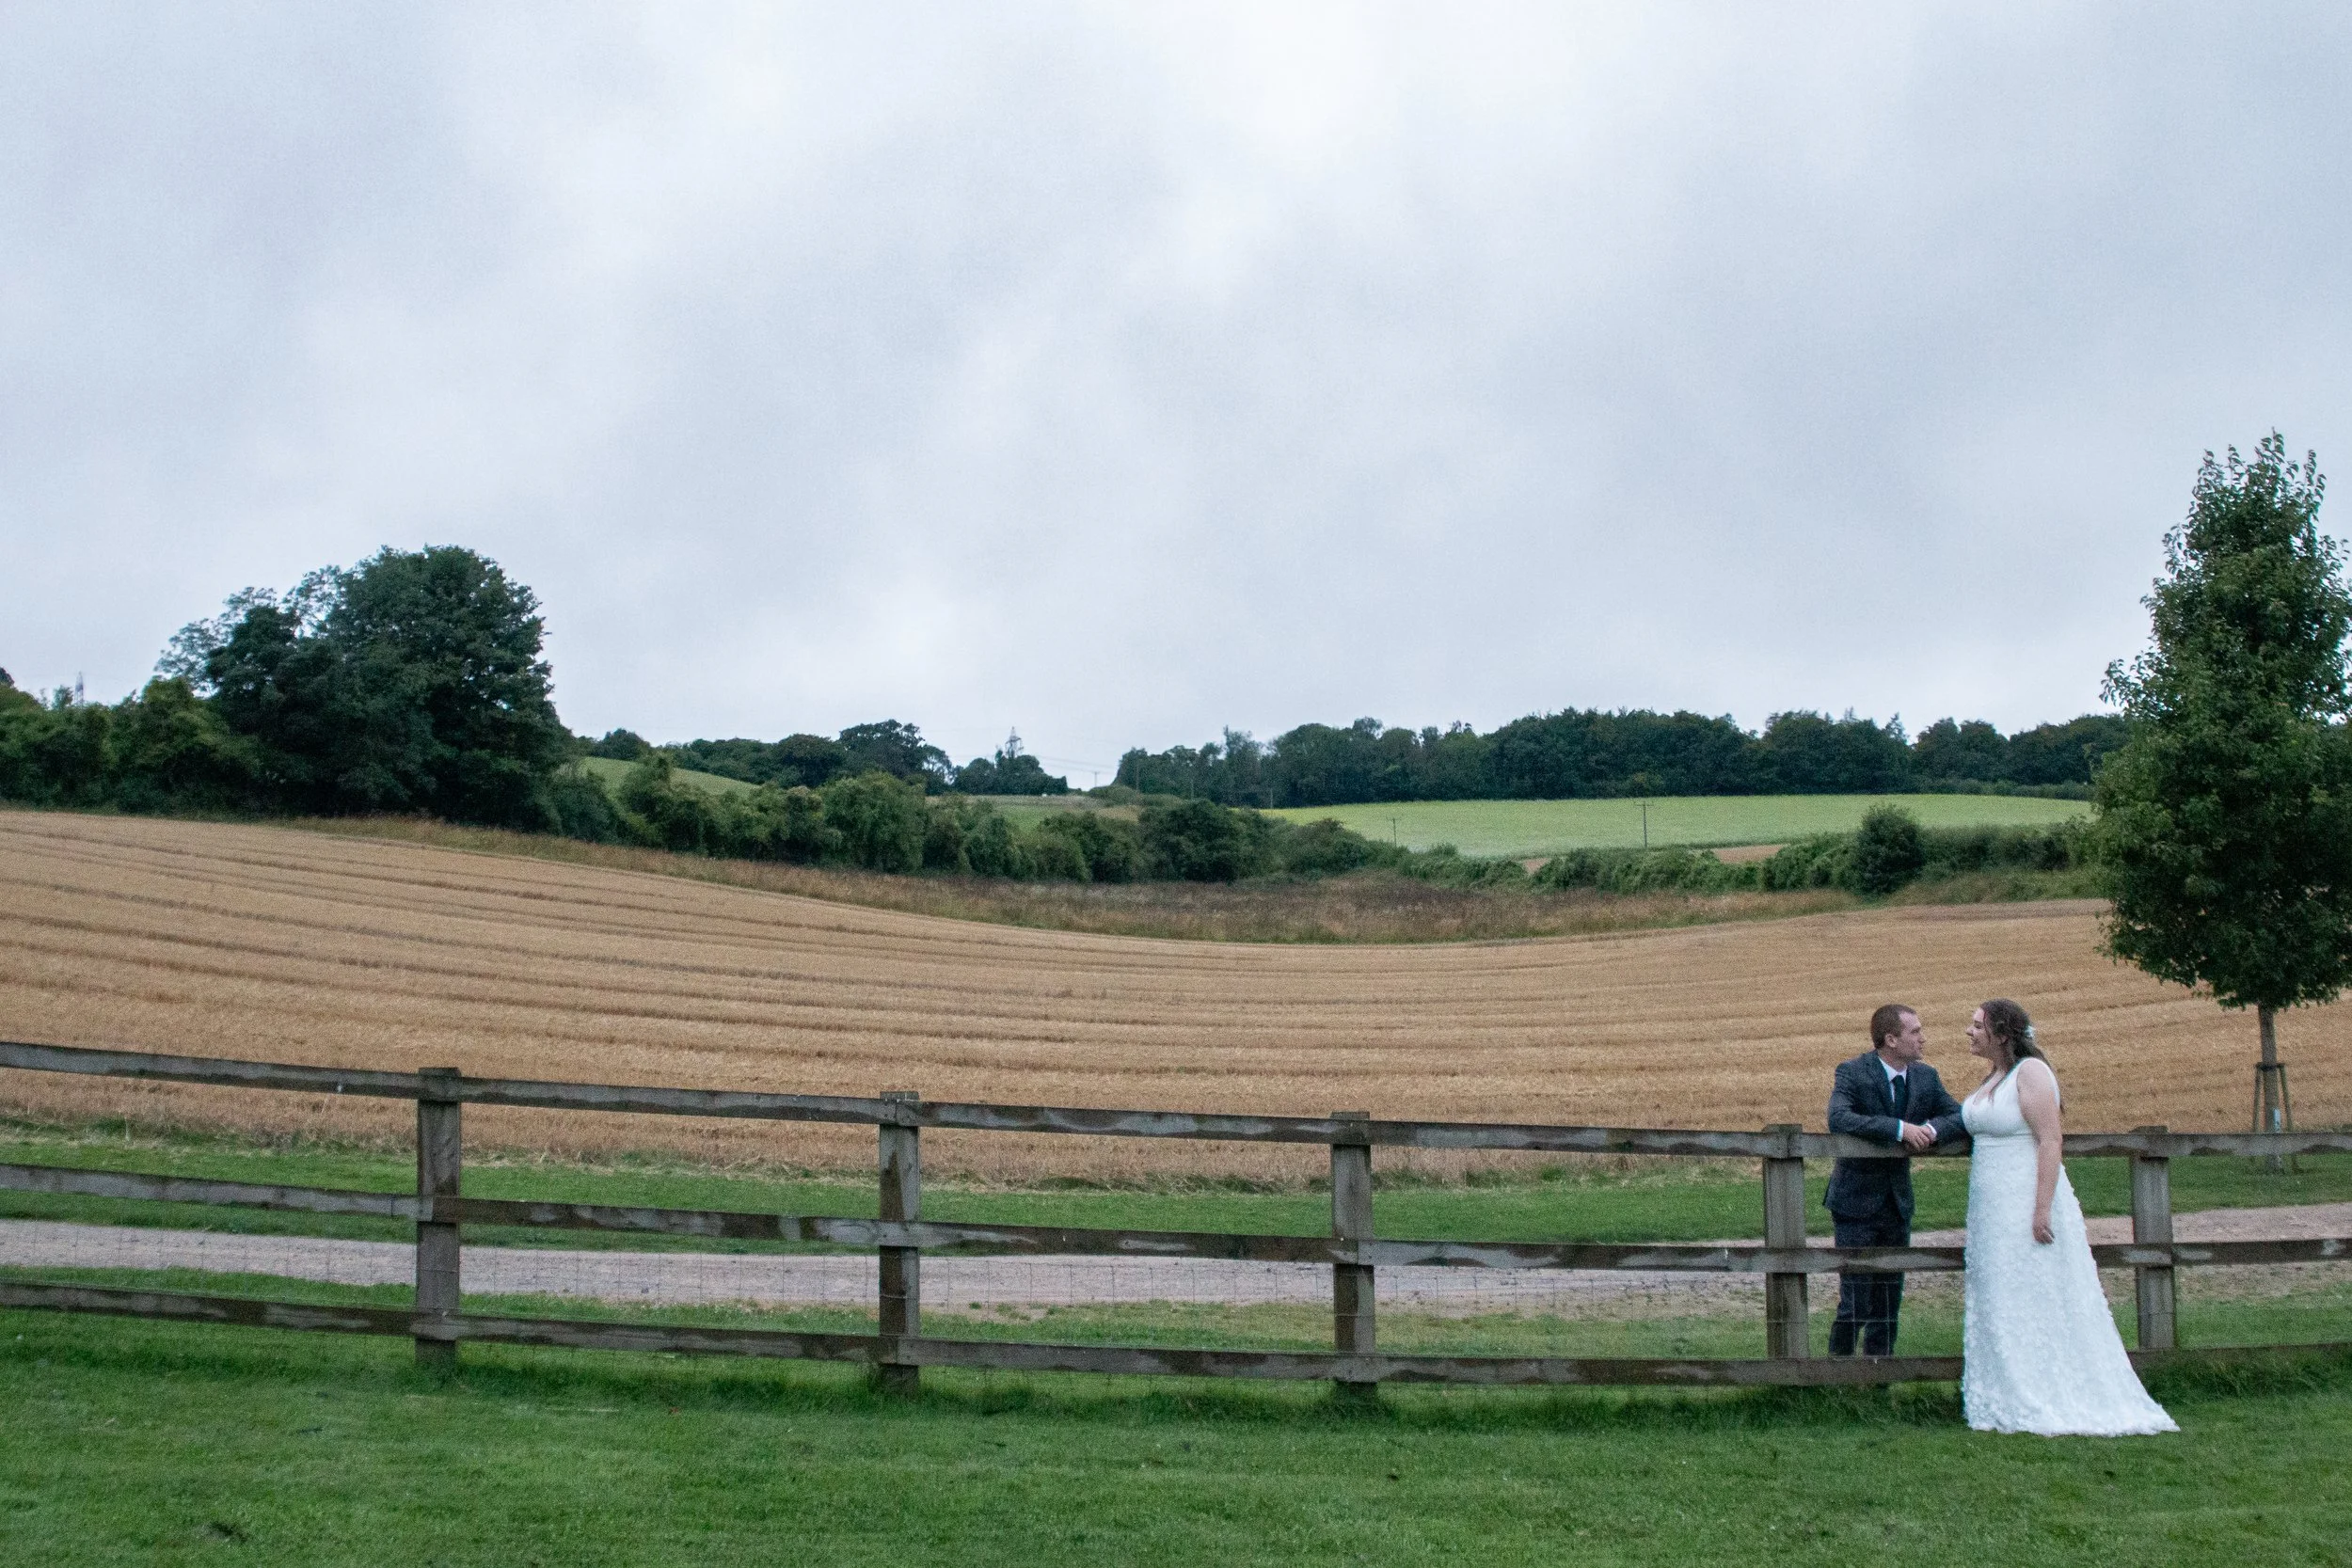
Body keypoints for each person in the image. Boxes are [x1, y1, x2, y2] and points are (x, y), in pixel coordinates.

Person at [1960, 998, 2176, 1435]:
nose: (1969, 1031)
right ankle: (2003, 1391)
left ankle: (2048, 1390)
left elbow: (2049, 1140)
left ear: (2002, 1034)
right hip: (1990, 1207)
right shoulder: (1993, 1078)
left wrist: (2040, 1208)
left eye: (1978, 1025)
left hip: (2025, 1197)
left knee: (2035, 1288)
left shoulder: (2032, 1074)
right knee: (2000, 1293)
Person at [1824, 1003, 1967, 1355]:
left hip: (1897, 1204)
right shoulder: (1854, 1072)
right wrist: (1900, 1129)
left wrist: (1932, 1130)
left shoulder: (1925, 1077)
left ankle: (1879, 1378)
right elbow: (1839, 1118)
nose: (1923, 1038)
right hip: (1855, 1202)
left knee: (1889, 1302)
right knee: (1855, 1300)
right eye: (1915, 1032)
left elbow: (1960, 1117)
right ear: (1890, 1039)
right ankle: (1835, 1375)